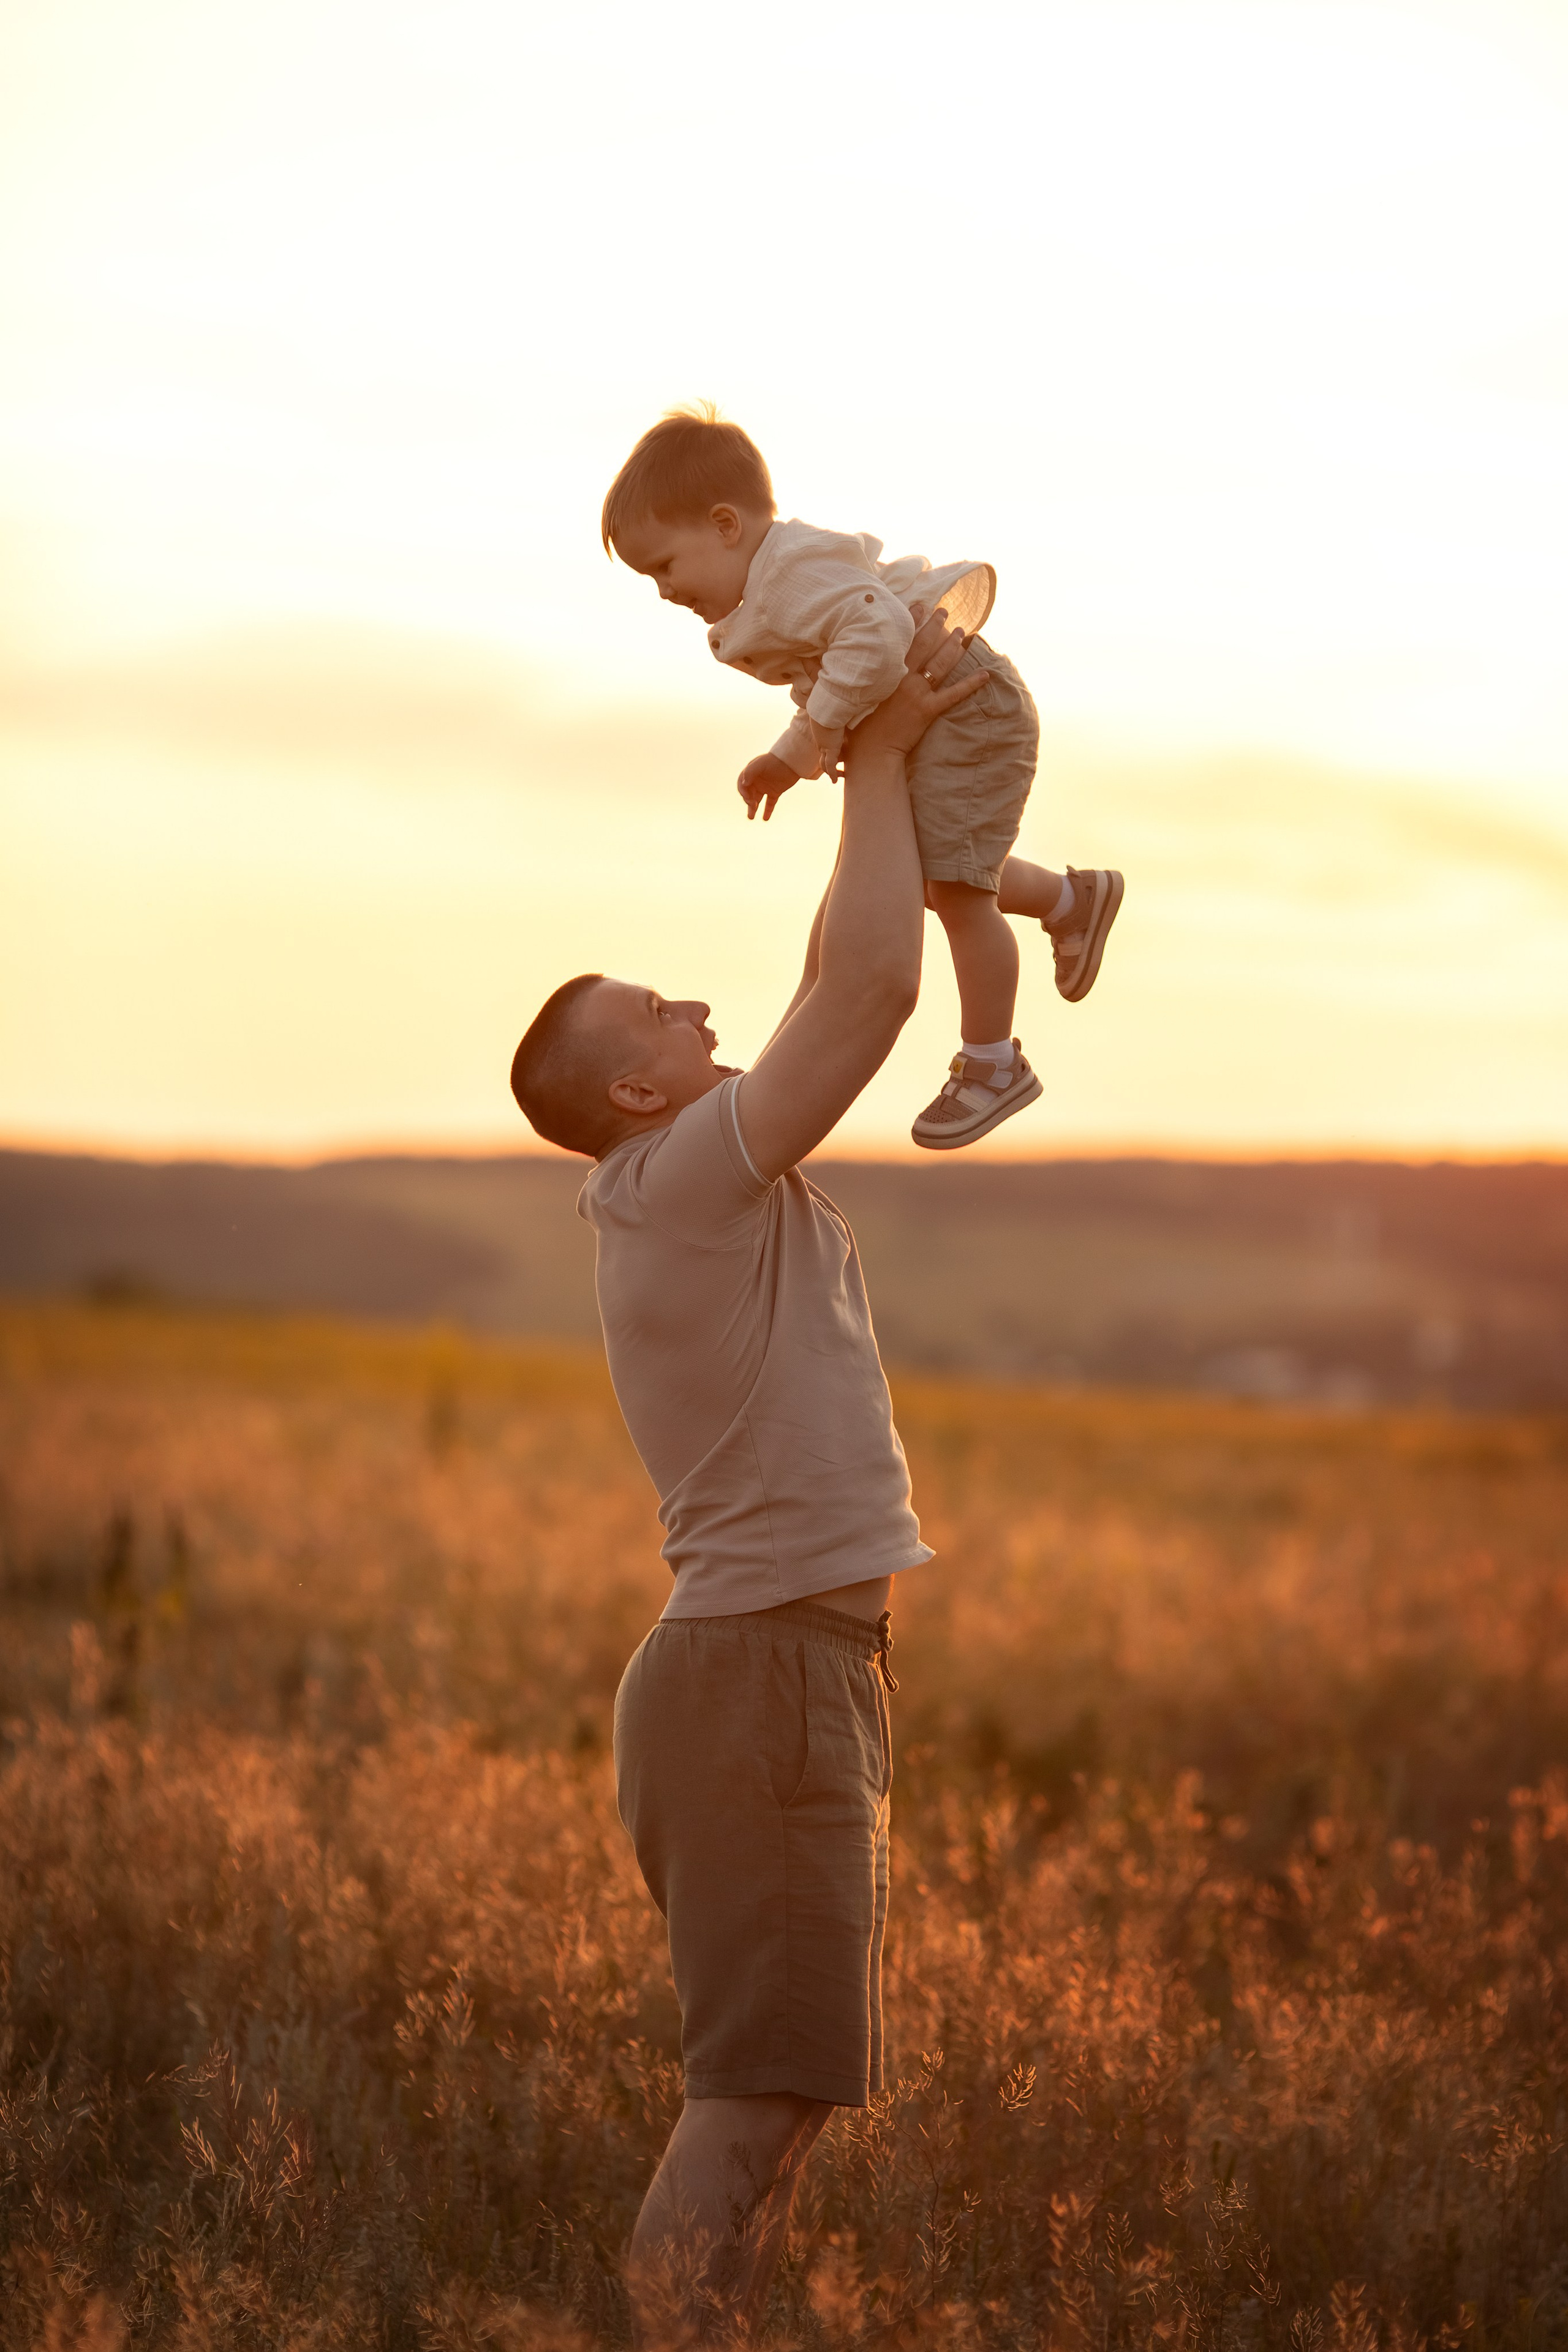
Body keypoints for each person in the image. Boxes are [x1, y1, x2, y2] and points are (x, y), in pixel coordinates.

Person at [510, 611, 981, 2345]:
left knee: (776, 2110)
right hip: (765, 1672)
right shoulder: (680, 1179)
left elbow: (838, 985)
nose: (698, 1003)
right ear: (635, 1086)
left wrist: (896, 763)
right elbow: (858, 994)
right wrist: (869, 746)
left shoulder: (691, 1193)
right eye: (661, 1006)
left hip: (788, 1669)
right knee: (752, 2103)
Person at [600, 402, 1124, 1152]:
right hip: (942, 709)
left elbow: (876, 634)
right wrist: (793, 752)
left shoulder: (790, 576)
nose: (662, 589)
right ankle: (1070, 899)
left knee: (956, 891)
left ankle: (993, 1062)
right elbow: (832, 676)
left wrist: (813, 738)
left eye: (665, 565)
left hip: (963, 704)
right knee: (923, 875)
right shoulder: (780, 584)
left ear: (724, 525)